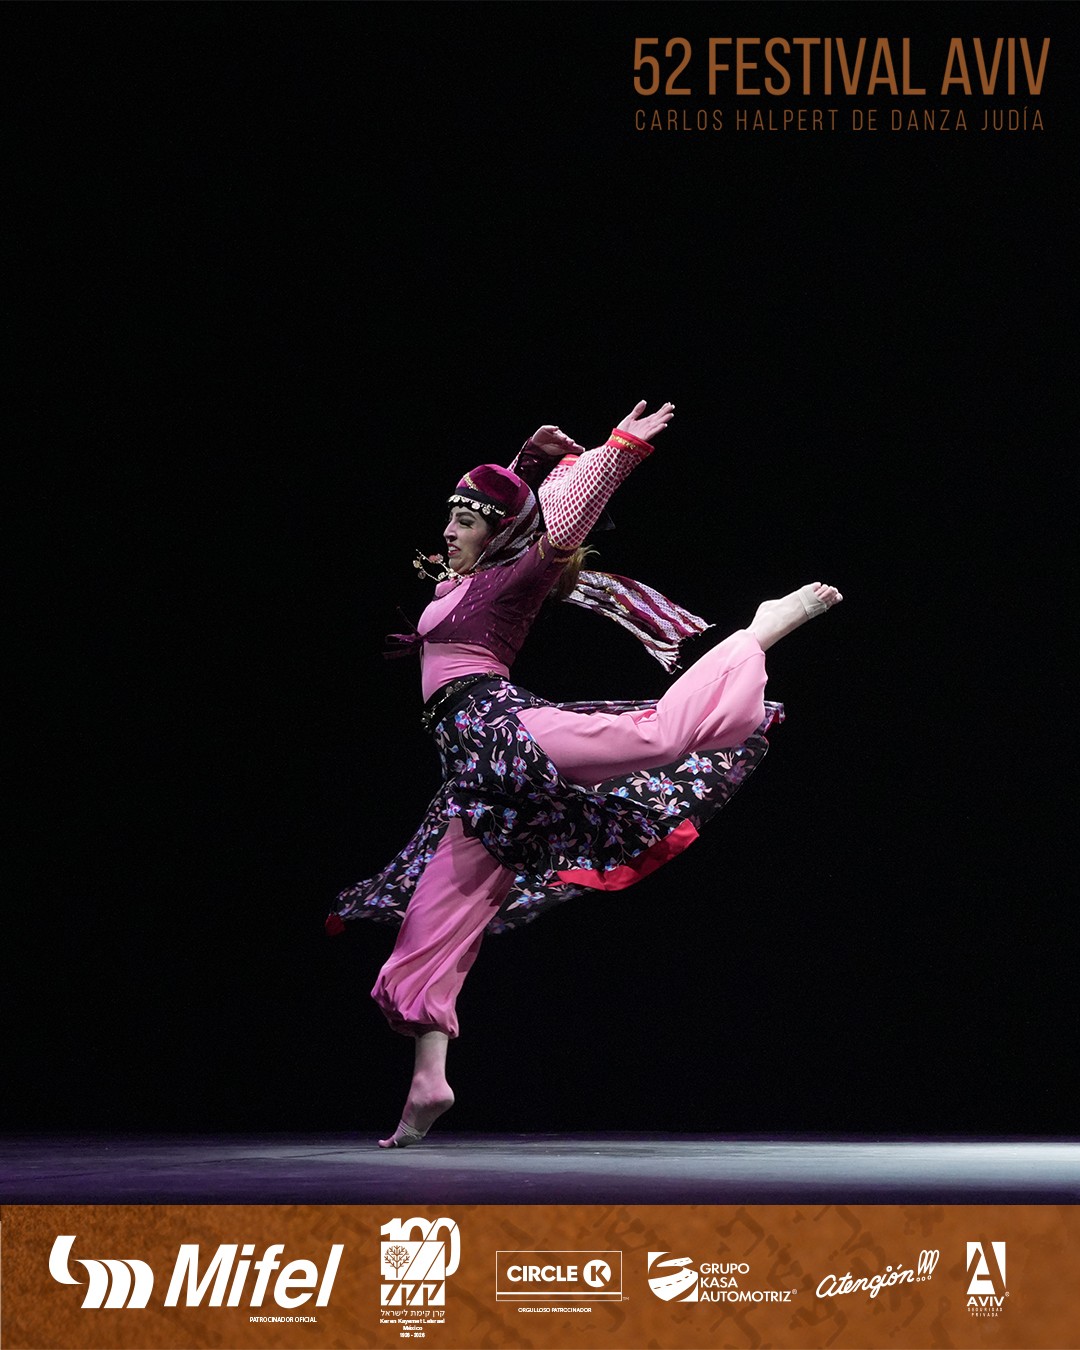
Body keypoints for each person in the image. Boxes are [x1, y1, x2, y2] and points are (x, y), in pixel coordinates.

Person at [326, 401, 842, 1147]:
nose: (447, 533)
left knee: (659, 737)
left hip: (505, 735)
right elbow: (510, 507)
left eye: (463, 523)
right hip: (478, 778)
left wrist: (620, 451)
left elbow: (554, 529)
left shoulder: (516, 577)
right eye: (451, 520)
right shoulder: (466, 581)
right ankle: (428, 1085)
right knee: (430, 924)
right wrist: (529, 460)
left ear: (496, 537)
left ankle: (758, 631)